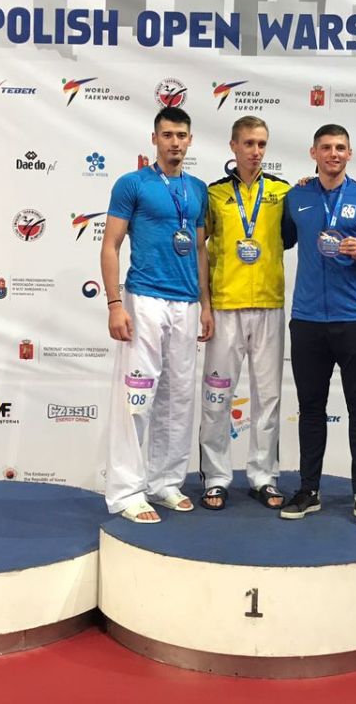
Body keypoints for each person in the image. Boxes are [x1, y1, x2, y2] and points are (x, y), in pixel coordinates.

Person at [279, 124, 356, 528]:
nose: (333, 153)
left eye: (340, 148)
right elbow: (281, 240)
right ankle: (308, 490)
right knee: (311, 409)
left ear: (350, 154)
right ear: (313, 152)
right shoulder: (296, 197)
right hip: (307, 320)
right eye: (326, 147)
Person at [100, 106, 214, 523]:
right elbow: (110, 245)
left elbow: (199, 248)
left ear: (190, 140)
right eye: (167, 135)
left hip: (186, 303)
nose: (175, 142)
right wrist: (115, 304)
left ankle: (166, 482)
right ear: (154, 139)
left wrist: (205, 304)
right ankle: (127, 491)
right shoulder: (132, 184)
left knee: (179, 397)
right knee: (137, 397)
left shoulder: (197, 189)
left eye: (181, 135)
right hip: (144, 298)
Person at [199, 116, 291, 511]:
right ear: (233, 146)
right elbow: (200, 250)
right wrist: (205, 305)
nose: (256, 151)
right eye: (249, 143)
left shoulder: (283, 192)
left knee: (268, 397)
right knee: (217, 397)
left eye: (262, 144)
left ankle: (263, 476)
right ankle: (216, 477)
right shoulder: (214, 194)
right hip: (225, 307)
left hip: (269, 305)